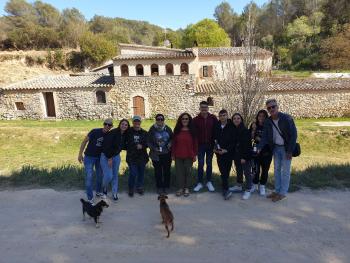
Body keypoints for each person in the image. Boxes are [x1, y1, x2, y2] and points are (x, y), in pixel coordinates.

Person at [257, 99, 297, 202]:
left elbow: (294, 135)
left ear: (277, 106)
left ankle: (283, 193)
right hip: (275, 148)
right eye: (269, 108)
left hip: (286, 149)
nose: (271, 109)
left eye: (273, 106)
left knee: (285, 171)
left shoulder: (287, 118)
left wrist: (289, 151)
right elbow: (265, 136)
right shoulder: (268, 121)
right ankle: (277, 190)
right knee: (277, 170)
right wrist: (259, 147)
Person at [78, 118, 113, 203]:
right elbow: (84, 141)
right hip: (89, 157)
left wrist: (110, 158)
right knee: (89, 177)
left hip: (100, 158)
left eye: (109, 125)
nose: (107, 126)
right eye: (106, 124)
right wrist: (80, 154)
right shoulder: (94, 131)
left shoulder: (110, 135)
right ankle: (90, 198)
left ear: (111, 127)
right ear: (103, 124)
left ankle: (98, 192)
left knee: (100, 176)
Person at [100, 119, 130, 202]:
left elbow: (122, 146)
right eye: (122, 124)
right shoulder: (113, 132)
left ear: (127, 127)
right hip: (106, 155)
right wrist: (109, 157)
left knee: (115, 175)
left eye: (126, 125)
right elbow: (106, 145)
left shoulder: (125, 134)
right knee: (108, 175)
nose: (124, 126)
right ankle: (104, 188)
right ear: (119, 124)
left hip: (116, 156)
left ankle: (114, 193)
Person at [192, 101, 218, 192]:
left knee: (209, 163)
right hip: (200, 145)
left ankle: (209, 181)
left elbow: (216, 131)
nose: (204, 109)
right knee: (201, 163)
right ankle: (199, 182)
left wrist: (216, 143)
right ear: (200, 108)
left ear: (208, 108)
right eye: (202, 107)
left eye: (205, 107)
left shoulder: (213, 118)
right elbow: (193, 133)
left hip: (210, 145)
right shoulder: (195, 120)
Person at [171, 113, 198, 197]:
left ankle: (186, 188)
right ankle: (180, 188)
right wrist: (172, 154)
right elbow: (174, 143)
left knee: (188, 172)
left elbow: (195, 144)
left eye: (186, 119)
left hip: (189, 155)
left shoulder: (192, 130)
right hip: (178, 155)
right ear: (180, 120)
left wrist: (195, 154)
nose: (185, 120)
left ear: (189, 120)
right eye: (183, 119)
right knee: (179, 173)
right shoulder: (177, 130)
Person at [148, 114, 173, 195]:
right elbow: (148, 141)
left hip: (166, 153)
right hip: (156, 154)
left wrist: (170, 143)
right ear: (156, 120)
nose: (160, 121)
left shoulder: (168, 128)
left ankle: (166, 187)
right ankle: (159, 187)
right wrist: (153, 148)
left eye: (161, 119)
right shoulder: (152, 129)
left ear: (163, 120)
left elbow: (172, 138)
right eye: (158, 119)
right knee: (158, 171)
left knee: (167, 171)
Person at [230, 113, 253, 200]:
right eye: (234, 118)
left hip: (245, 156)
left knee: (247, 173)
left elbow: (247, 145)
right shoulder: (233, 130)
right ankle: (239, 186)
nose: (236, 120)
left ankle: (248, 189)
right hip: (237, 155)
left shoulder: (245, 130)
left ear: (241, 120)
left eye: (238, 118)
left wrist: (244, 157)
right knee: (239, 171)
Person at [250, 110, 272, 196]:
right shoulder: (255, 125)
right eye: (259, 116)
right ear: (257, 117)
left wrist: (262, 140)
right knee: (255, 169)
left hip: (267, 152)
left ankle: (262, 185)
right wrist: (253, 130)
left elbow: (271, 139)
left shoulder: (269, 126)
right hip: (256, 152)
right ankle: (255, 185)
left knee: (265, 170)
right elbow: (251, 137)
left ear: (266, 117)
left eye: (263, 116)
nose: (261, 118)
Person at [213, 109, 235, 200]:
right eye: (221, 116)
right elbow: (213, 138)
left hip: (228, 153)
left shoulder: (231, 126)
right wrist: (215, 149)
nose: (222, 117)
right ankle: (226, 190)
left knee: (226, 171)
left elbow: (234, 141)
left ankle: (224, 187)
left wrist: (226, 150)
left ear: (227, 116)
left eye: (224, 115)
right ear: (219, 117)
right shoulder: (216, 126)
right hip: (219, 153)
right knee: (223, 171)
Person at [125, 116, 149, 197]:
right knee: (133, 173)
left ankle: (139, 187)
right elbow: (124, 142)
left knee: (141, 173)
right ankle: (131, 188)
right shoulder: (128, 132)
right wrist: (134, 145)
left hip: (142, 157)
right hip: (131, 157)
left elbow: (148, 143)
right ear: (133, 122)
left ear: (140, 122)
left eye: (138, 121)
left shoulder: (145, 133)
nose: (137, 123)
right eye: (135, 121)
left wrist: (142, 146)